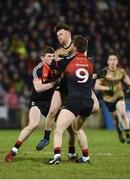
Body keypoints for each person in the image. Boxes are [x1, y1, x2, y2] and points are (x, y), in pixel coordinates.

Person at [36, 24, 104, 155]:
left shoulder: (78, 47)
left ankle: (74, 146)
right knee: (52, 111)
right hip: (63, 85)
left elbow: (84, 68)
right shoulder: (57, 52)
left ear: (68, 34)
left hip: (77, 86)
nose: (59, 37)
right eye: (57, 36)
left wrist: (95, 75)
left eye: (60, 34)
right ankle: (45, 138)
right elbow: (55, 68)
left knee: (95, 108)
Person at [5, 46, 58, 162]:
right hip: (37, 101)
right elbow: (38, 88)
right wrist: (54, 83)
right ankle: (13, 151)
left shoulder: (57, 67)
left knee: (63, 126)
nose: (52, 58)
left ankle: (68, 153)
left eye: (53, 56)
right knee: (33, 124)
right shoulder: (37, 70)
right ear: (42, 58)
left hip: (51, 101)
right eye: (49, 56)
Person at [49, 35, 95, 164]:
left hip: (75, 100)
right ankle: (85, 157)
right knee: (78, 129)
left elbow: (54, 64)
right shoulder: (90, 62)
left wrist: (48, 57)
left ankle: (57, 157)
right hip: (88, 101)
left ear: (74, 46)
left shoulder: (70, 60)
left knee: (58, 129)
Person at [94, 51, 130, 144]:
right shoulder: (104, 72)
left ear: (117, 61)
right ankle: (119, 131)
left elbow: (129, 84)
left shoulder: (121, 71)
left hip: (119, 96)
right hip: (108, 99)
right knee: (116, 119)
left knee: (123, 113)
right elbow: (96, 86)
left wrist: (129, 88)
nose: (112, 61)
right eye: (110, 59)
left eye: (114, 59)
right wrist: (108, 87)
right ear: (108, 61)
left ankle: (128, 135)